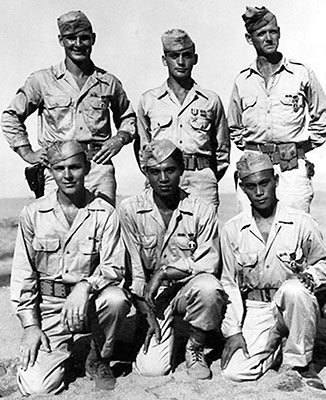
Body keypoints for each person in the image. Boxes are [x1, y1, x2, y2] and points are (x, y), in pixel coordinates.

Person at [10, 141, 131, 394]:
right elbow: (24, 274)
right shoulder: (33, 213)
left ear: (86, 168)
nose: (67, 175)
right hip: (50, 309)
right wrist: (31, 326)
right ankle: (61, 354)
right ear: (50, 172)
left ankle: (97, 358)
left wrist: (87, 285)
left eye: (74, 167)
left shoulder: (104, 213)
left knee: (116, 300)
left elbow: (115, 267)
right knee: (39, 387)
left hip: (90, 304)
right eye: (59, 168)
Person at [220, 152, 326, 390]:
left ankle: (302, 362)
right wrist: (233, 331)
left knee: (294, 290)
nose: (259, 192)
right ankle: (278, 343)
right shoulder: (232, 230)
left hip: (292, 303)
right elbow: (228, 282)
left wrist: (310, 278)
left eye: (264, 183)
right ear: (242, 188)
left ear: (276, 182)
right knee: (236, 372)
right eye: (251, 186)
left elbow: (325, 263)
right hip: (257, 307)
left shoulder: (301, 222)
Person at [2, 10, 136, 205]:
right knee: (56, 227)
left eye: (84, 38)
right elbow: (11, 116)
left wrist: (119, 139)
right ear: (61, 40)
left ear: (93, 39)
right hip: (59, 168)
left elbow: (128, 117)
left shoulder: (108, 82)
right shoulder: (42, 80)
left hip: (98, 168)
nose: (78, 44)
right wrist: (27, 152)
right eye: (71, 38)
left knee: (103, 227)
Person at [119, 139, 226, 379]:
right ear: (146, 173)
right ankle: (151, 331)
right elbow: (134, 268)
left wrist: (166, 271)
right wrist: (144, 311)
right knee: (152, 370)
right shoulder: (129, 209)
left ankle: (195, 347)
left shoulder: (201, 209)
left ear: (181, 171)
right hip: (152, 295)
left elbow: (208, 262)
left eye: (170, 170)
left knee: (209, 287)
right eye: (155, 172)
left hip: (186, 289)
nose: (163, 178)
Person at [228, 6, 326, 213]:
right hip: (254, 170)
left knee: (296, 231)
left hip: (291, 171)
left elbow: (325, 116)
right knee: (252, 235)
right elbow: (233, 125)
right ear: (250, 39)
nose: (269, 38)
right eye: (261, 34)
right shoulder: (242, 81)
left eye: (273, 32)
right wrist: (253, 151)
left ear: (279, 33)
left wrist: (301, 148)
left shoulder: (300, 73)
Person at [136, 29, 230, 208]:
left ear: (195, 59)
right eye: (174, 56)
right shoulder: (148, 100)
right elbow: (142, 148)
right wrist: (155, 174)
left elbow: (222, 150)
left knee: (204, 233)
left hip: (200, 181)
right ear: (165, 60)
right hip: (162, 180)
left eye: (186, 55)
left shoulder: (210, 100)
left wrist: (207, 175)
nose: (180, 62)